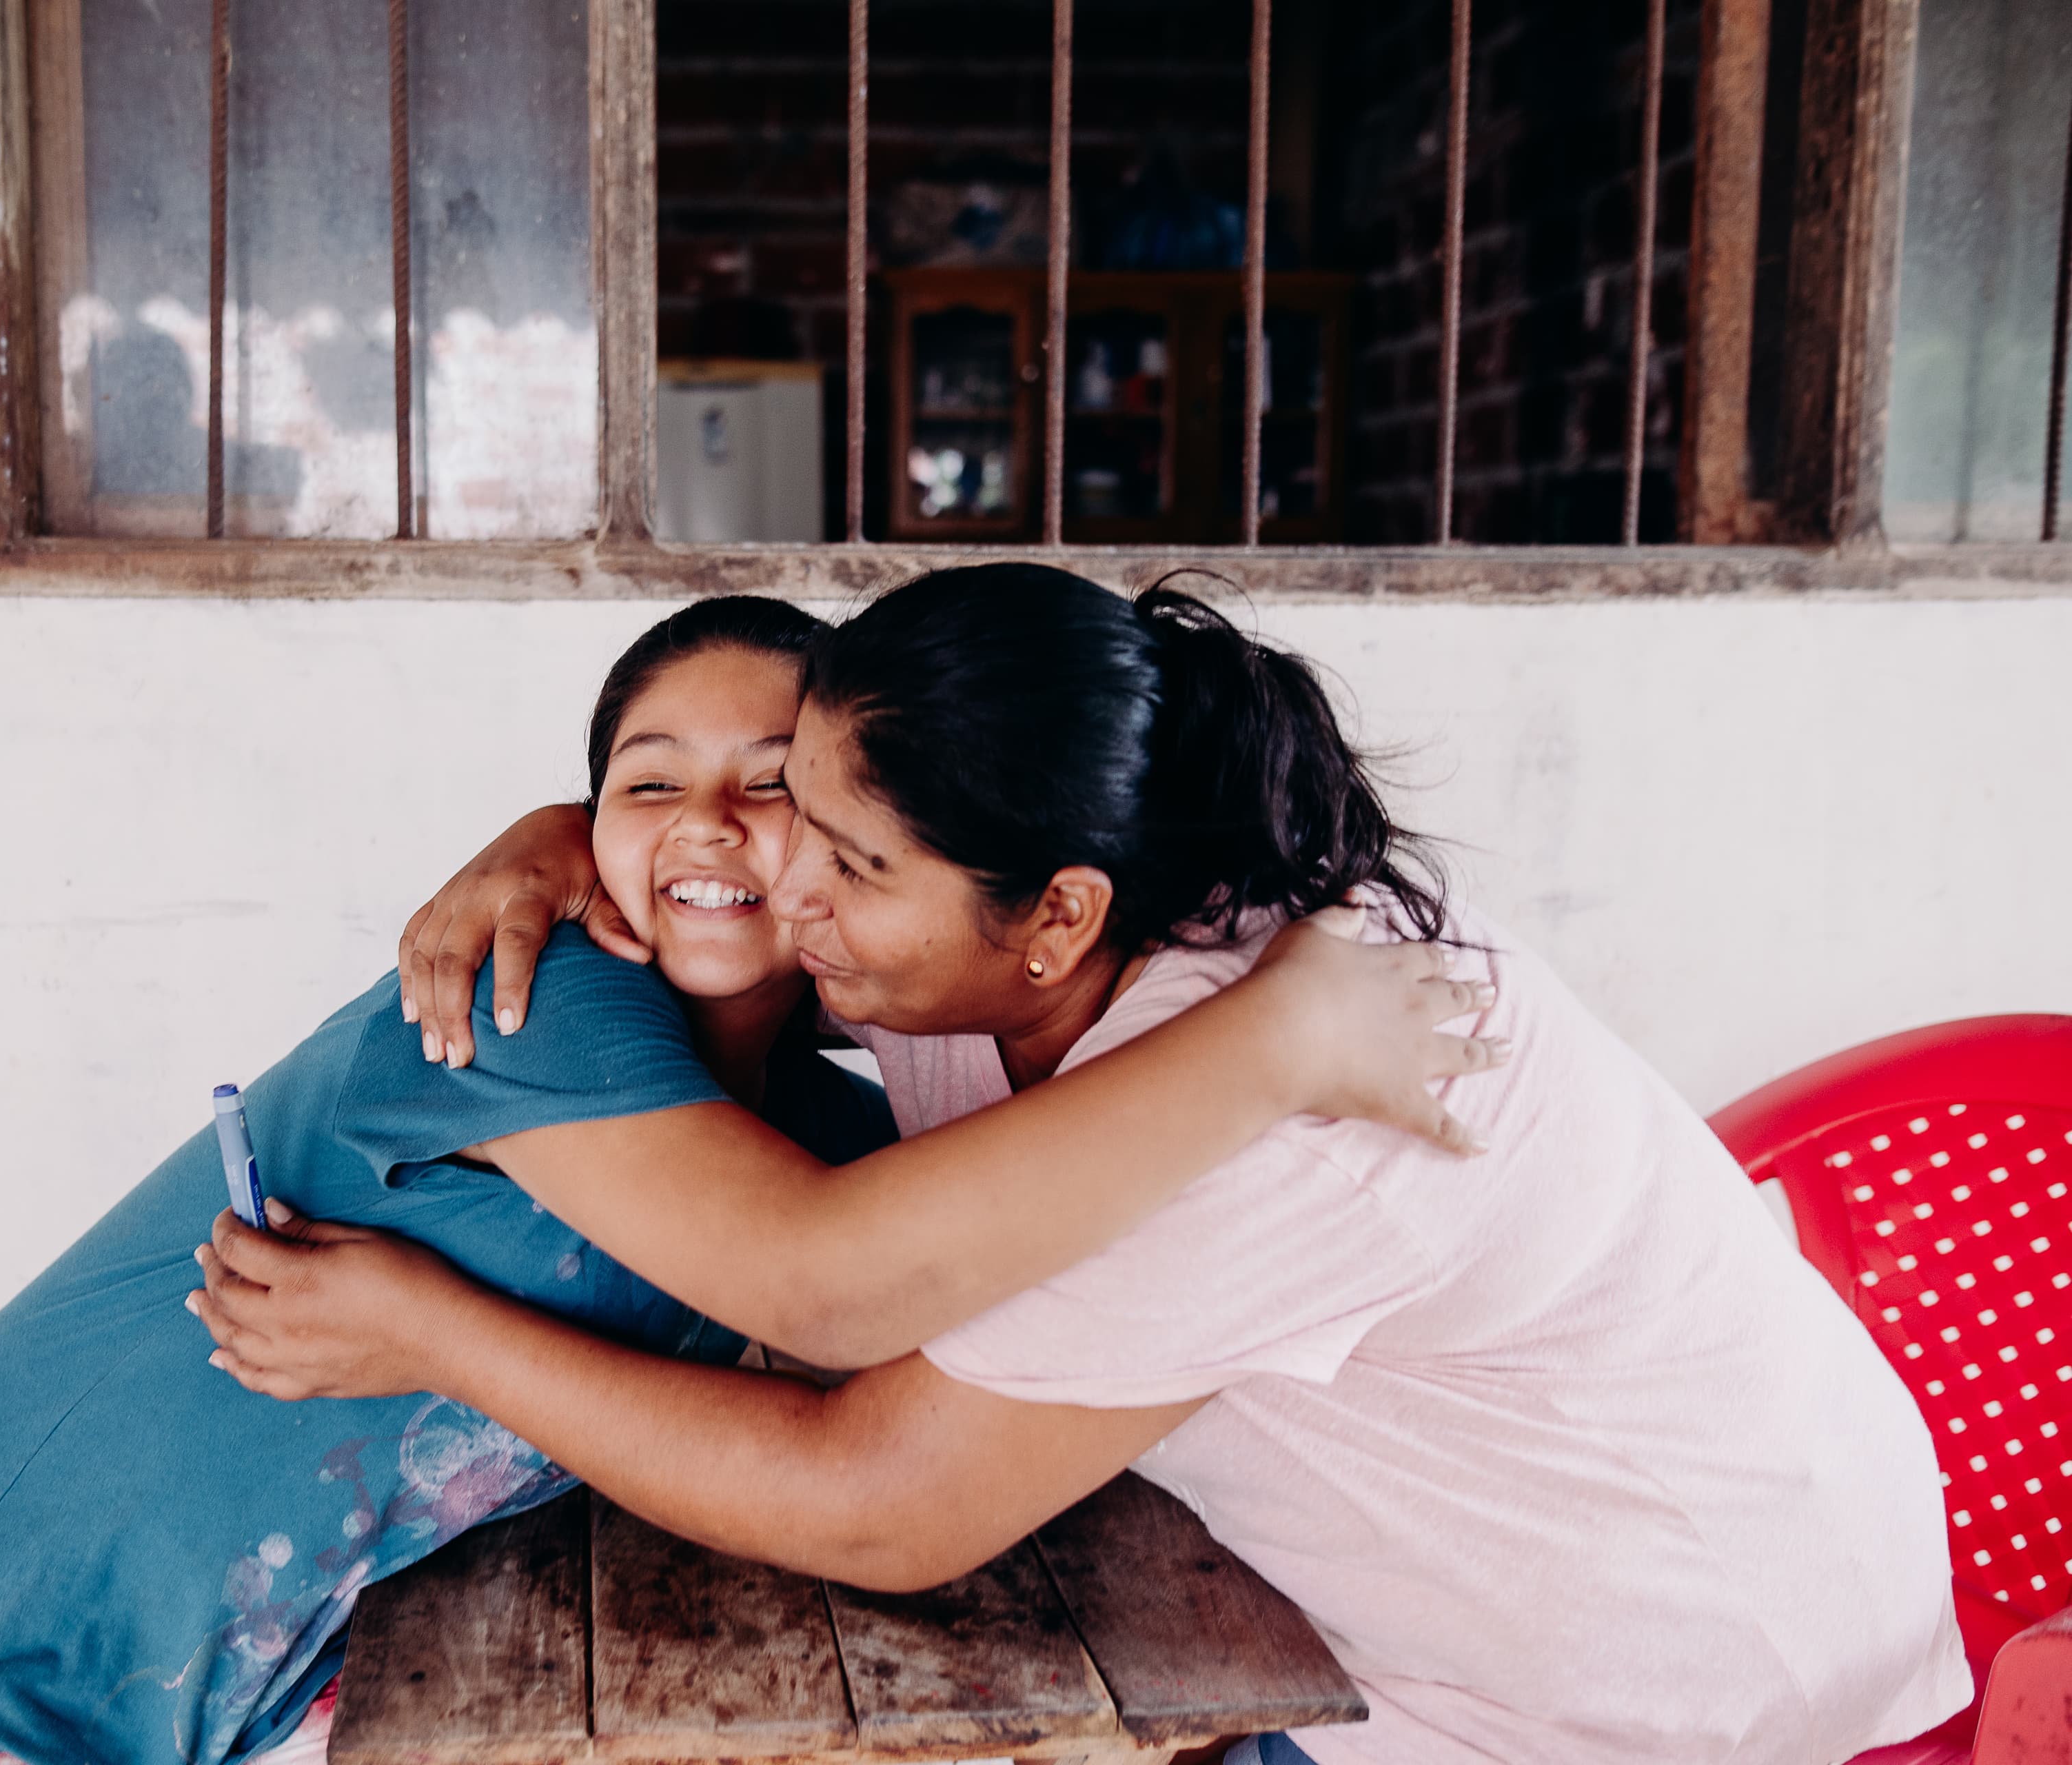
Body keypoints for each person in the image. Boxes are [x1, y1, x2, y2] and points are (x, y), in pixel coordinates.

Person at [197, 565, 1970, 1765]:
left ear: (1056, 918)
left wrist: (429, 1329)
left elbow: (875, 1495)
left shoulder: (1291, 1091)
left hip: (1666, 1698)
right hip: (1363, 1626)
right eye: (795, 809)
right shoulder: (998, 894)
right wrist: (566, 836)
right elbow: (739, 875)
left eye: (846, 857)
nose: (786, 880)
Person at [0, 595, 1496, 1765]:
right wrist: (1271, 1045)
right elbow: (821, 1283)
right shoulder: (525, 1001)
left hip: (263, 1671)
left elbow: (889, 1315)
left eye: (773, 786)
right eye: (644, 784)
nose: (705, 821)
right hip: (26, 1637)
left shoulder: (826, 1129)